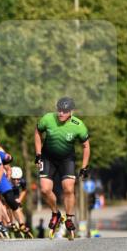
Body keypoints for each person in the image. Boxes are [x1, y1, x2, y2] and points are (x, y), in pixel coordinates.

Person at [34, 96, 90, 238]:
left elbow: (86, 146)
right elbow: (37, 132)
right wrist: (38, 153)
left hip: (67, 159)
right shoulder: (47, 118)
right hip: (48, 158)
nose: (61, 113)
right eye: (59, 110)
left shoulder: (78, 125)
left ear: (71, 111)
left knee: (68, 188)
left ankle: (69, 218)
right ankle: (55, 213)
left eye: (64, 111)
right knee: (45, 189)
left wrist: (84, 167)